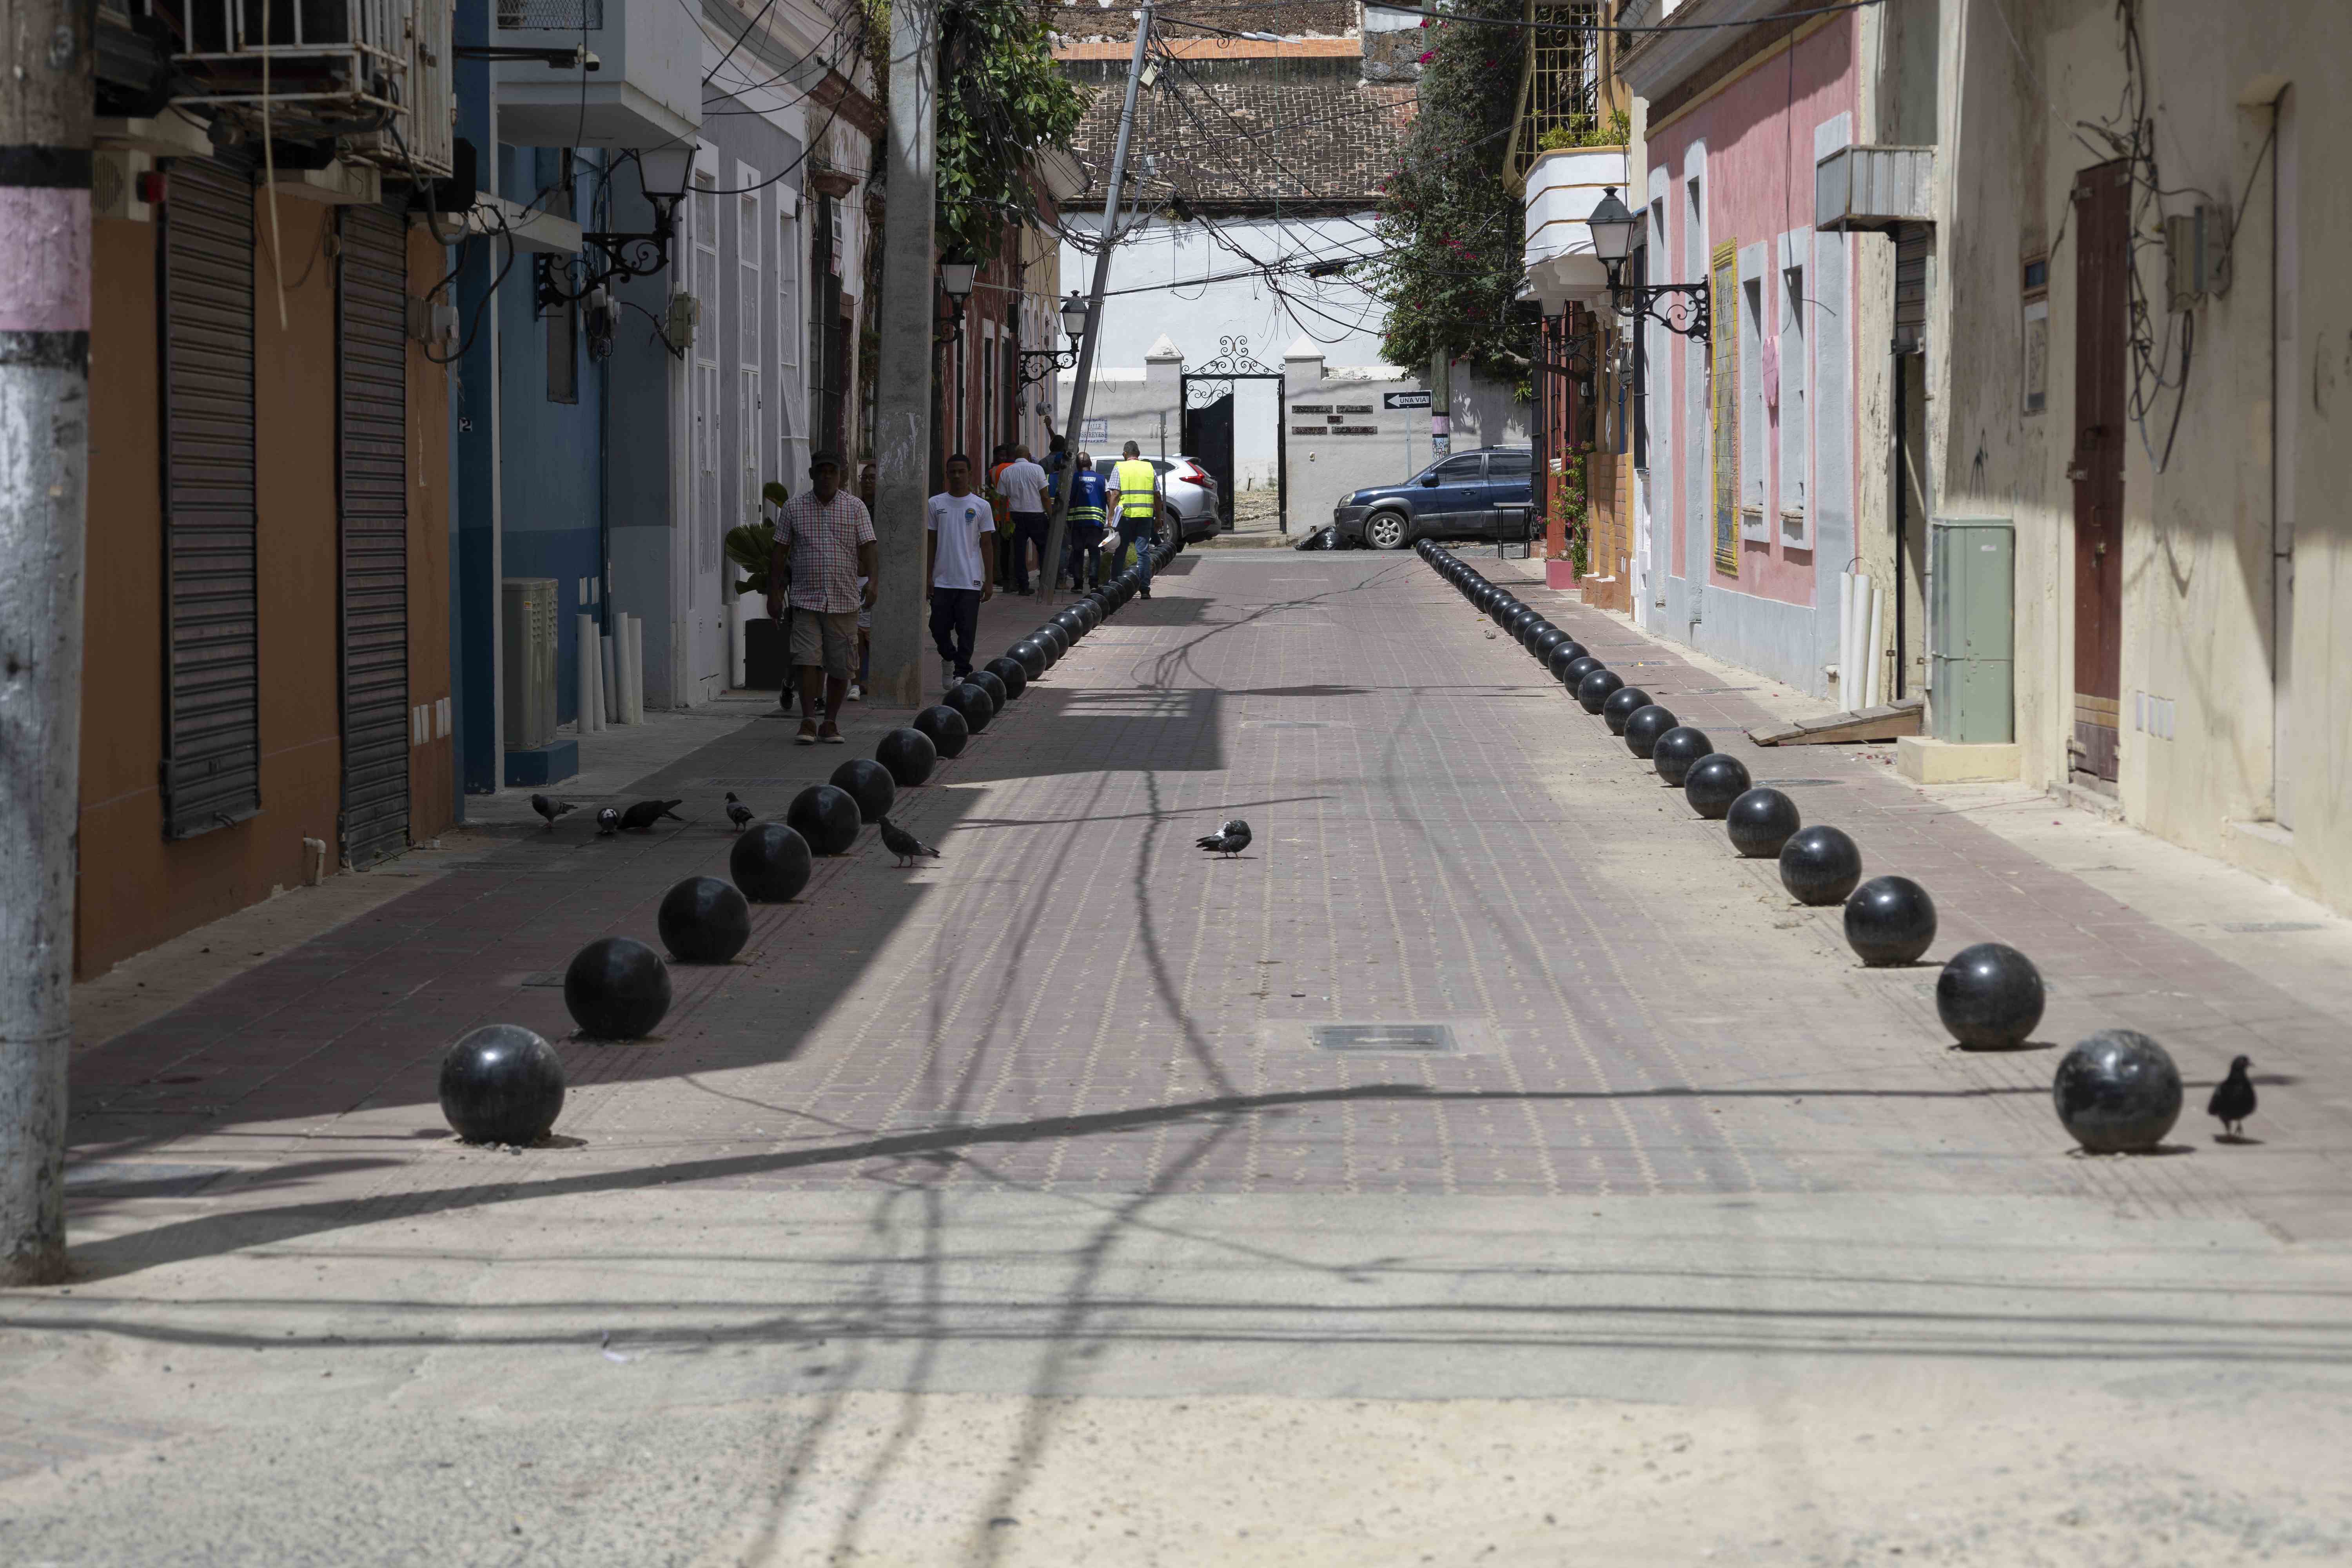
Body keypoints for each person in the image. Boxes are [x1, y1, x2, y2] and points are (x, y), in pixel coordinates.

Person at [767, 452, 875, 744]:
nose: (827, 477)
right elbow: (779, 553)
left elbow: (868, 548)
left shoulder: (855, 508)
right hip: (806, 599)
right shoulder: (794, 508)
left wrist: (874, 583)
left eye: (832, 472)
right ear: (813, 474)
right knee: (807, 660)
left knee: (841, 666)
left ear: (841, 476)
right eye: (821, 471)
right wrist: (774, 593)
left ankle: (830, 722)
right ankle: (808, 721)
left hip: (844, 599)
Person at [926, 453, 995, 688]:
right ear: (947, 474)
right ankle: (948, 657)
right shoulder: (935, 504)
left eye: (961, 471)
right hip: (942, 580)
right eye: (952, 472)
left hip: (970, 580)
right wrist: (928, 576)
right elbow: (931, 542)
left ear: (970, 474)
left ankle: (961, 673)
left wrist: (989, 581)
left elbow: (987, 545)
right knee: (937, 627)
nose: (957, 476)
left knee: (967, 630)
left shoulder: (981, 506)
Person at [1107, 440, 1162, 600]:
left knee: (1120, 550)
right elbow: (1157, 496)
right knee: (1143, 553)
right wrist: (1159, 517)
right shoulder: (1149, 468)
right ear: (1138, 454)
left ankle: (1116, 585)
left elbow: (1115, 494)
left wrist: (1110, 517)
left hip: (1126, 516)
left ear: (1125, 454)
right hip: (1145, 516)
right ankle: (1145, 590)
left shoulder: (1120, 467)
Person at [1000, 443, 1051, 593]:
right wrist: (1051, 515)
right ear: (1029, 456)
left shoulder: (1006, 472)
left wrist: (1004, 521)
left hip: (1016, 516)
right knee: (1043, 549)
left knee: (1019, 552)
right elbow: (1045, 496)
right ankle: (1045, 584)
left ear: (1015, 457)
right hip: (1036, 515)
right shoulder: (1037, 469)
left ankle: (1023, 586)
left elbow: (1003, 500)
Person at [1057, 450, 1107, 589]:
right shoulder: (1102, 479)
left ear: (1077, 465)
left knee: (1078, 552)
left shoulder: (1071, 479)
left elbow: (1064, 500)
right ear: (1090, 464)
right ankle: (1094, 584)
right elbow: (1109, 499)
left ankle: (1078, 585)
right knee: (1094, 553)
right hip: (1095, 523)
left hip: (1076, 523)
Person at [985, 442, 1015, 590]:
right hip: (1013, 514)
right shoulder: (1015, 469)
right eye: (1000, 455)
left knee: (999, 549)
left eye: (1004, 455)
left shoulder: (993, 471)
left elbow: (989, 493)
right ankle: (1011, 578)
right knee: (1012, 549)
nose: (1002, 458)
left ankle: (1001, 577)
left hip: (998, 515)